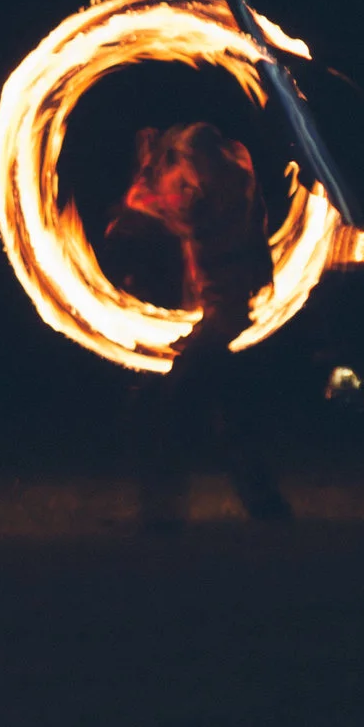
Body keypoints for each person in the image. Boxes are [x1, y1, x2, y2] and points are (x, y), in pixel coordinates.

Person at [111, 121, 292, 530]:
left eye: (187, 159)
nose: (182, 168)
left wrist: (147, 163)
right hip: (214, 317)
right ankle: (267, 506)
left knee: (166, 408)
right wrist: (154, 161)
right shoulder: (222, 187)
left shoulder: (221, 198)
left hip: (223, 315)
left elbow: (144, 202)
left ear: (207, 160)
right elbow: (149, 203)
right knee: (229, 415)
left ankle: (161, 515)